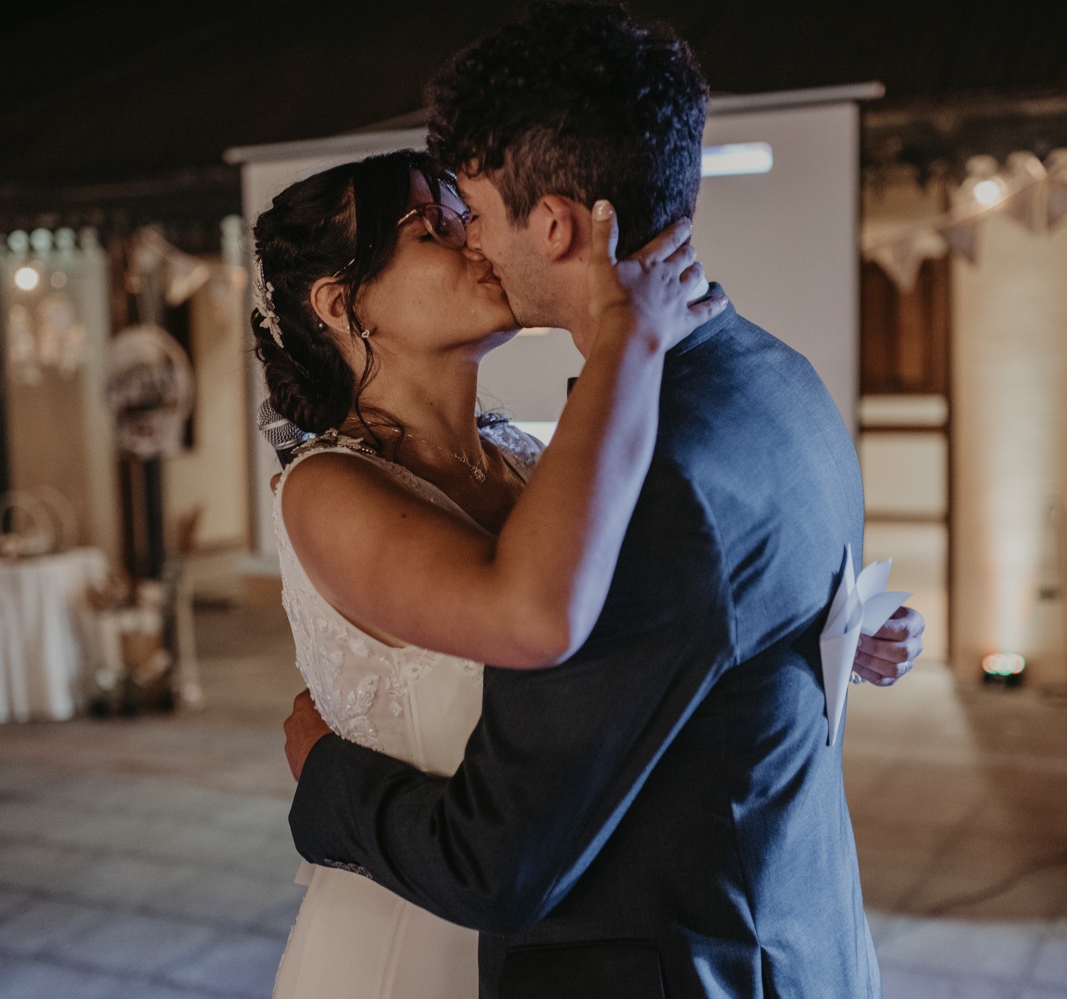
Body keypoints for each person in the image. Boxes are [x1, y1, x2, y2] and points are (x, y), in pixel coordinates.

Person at [278, 4, 920, 998]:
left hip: (649, 942)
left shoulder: (620, 473)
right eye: (437, 228)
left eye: (469, 212)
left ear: (555, 225)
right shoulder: (771, 375)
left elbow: (498, 856)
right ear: (338, 303)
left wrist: (327, 776)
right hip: (453, 938)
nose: (472, 241)